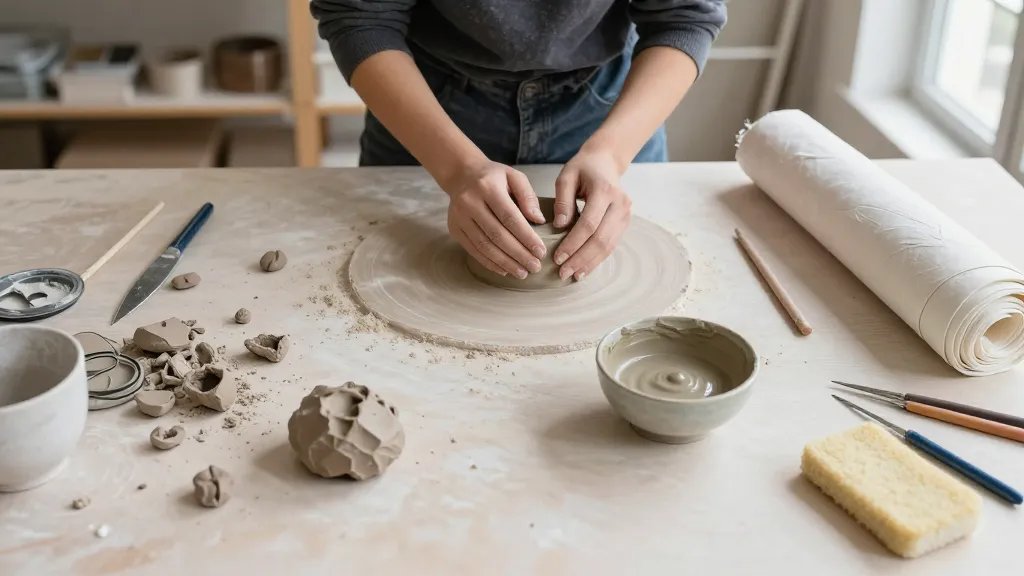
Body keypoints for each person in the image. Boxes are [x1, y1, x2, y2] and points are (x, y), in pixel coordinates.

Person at [311, 1, 726, 282]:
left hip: (606, 106)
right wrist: (456, 169)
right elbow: (361, 17)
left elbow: (684, 16)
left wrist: (610, 155)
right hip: (430, 103)